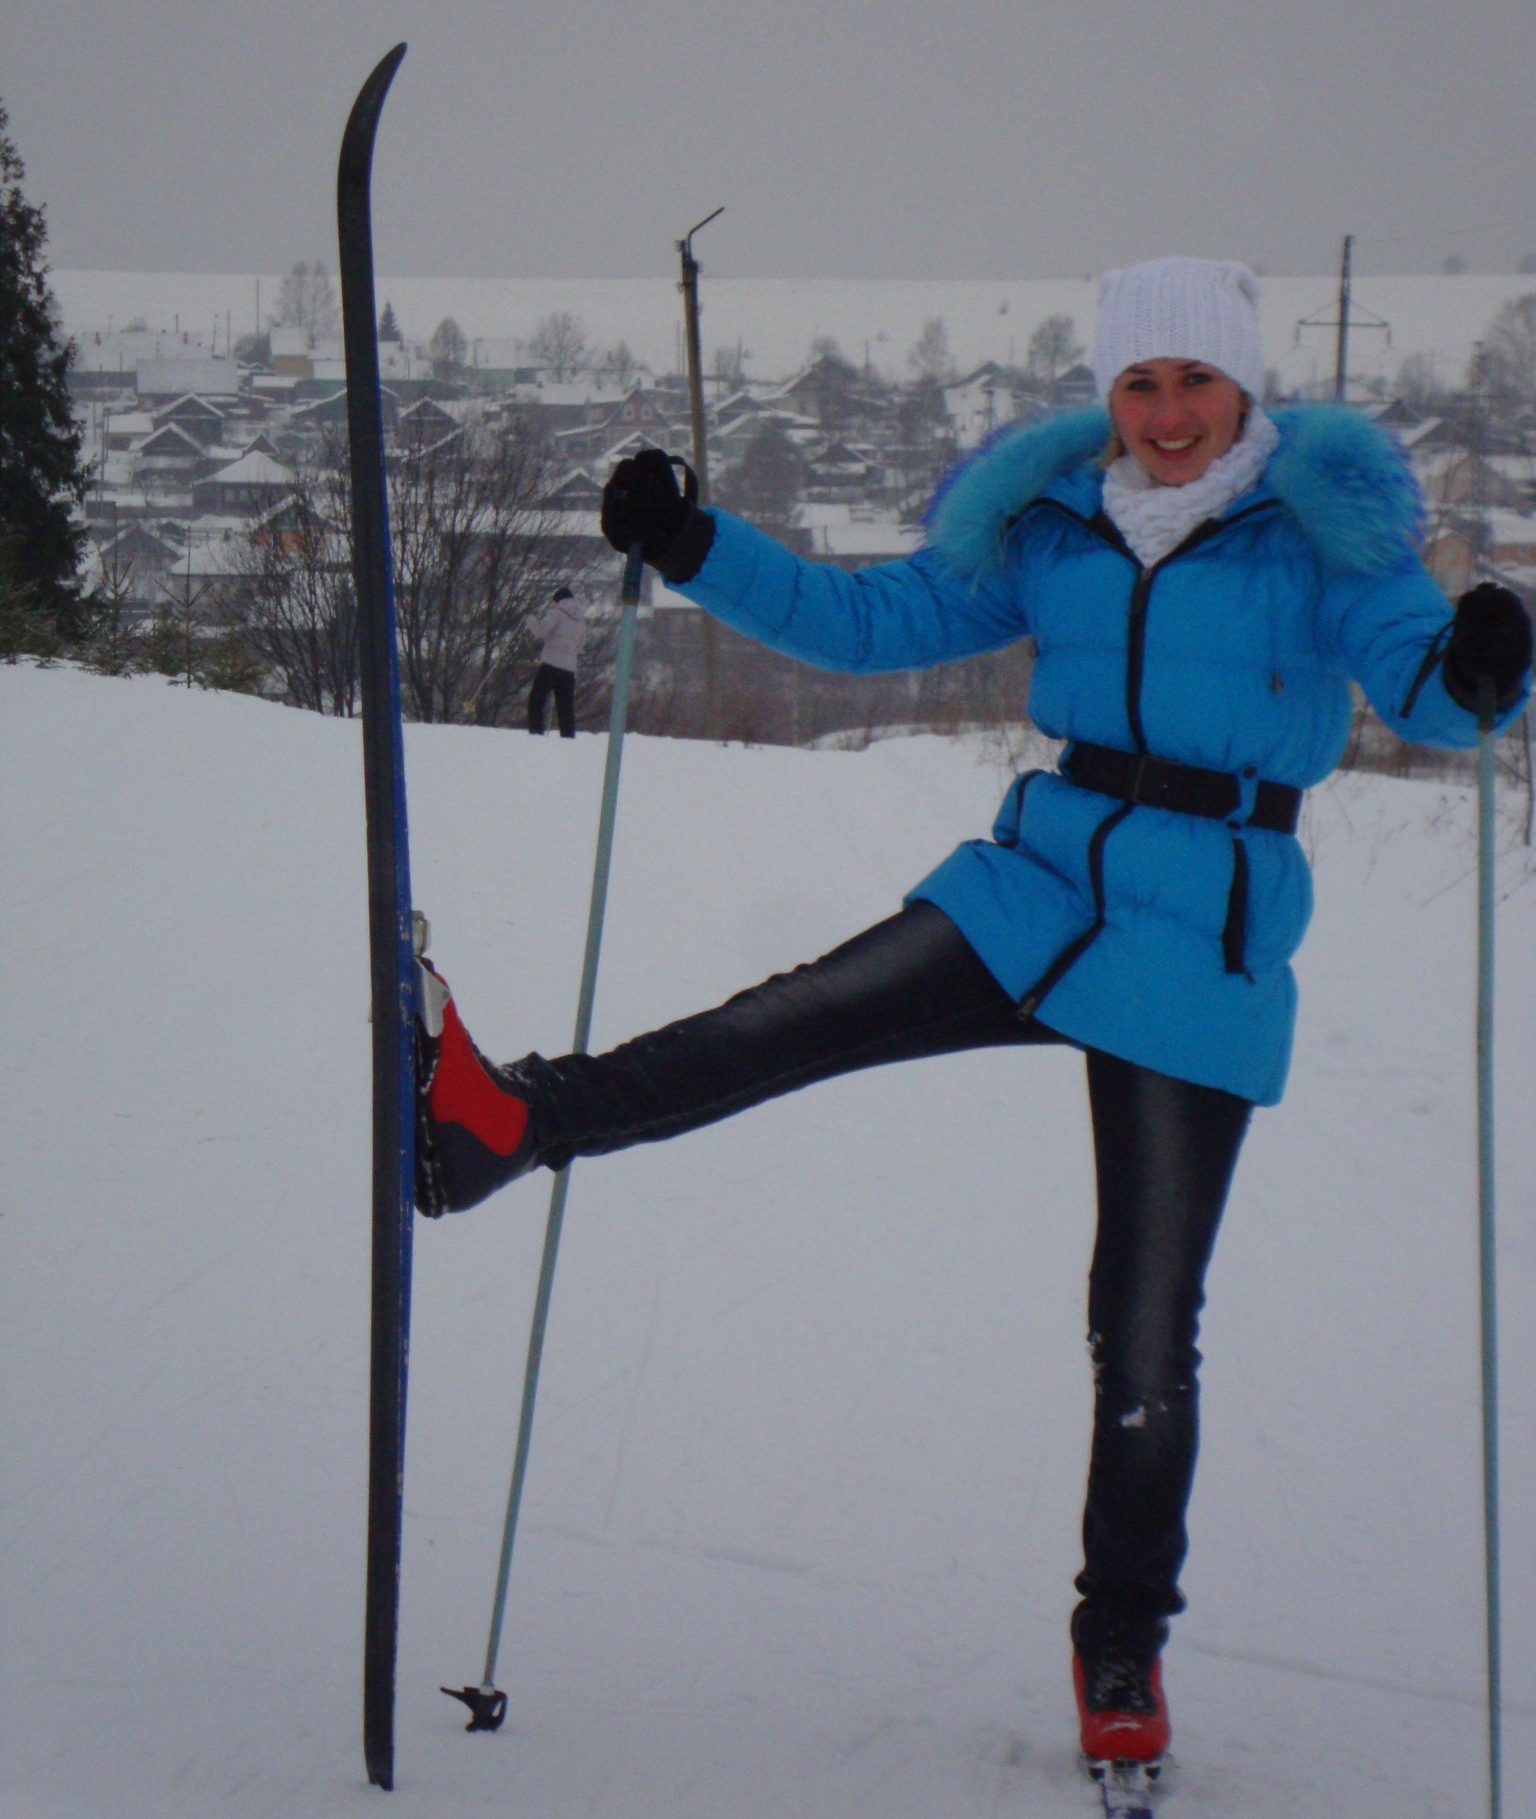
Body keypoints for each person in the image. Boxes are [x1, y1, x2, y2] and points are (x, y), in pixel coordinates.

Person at [413, 259, 1530, 1772]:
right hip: (1038, 885)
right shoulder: (1054, 522)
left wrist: (1483, 664)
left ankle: (1120, 1637)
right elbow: (867, 620)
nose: (1169, 413)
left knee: (1144, 1326)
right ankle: (505, 1124)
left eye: (1195, 381)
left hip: (1200, 937)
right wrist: (691, 542)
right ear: (1108, 394)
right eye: (1140, 383)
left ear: (1244, 387)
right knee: (788, 1019)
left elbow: (1430, 693)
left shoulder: (1325, 534)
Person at [525, 584, 587, 737]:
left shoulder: (556, 613)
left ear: (558, 600)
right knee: (565, 708)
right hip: (569, 670)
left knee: (536, 700)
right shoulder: (581, 621)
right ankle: (568, 738)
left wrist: (530, 619)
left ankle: (536, 734)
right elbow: (580, 648)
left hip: (550, 666)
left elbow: (540, 631)